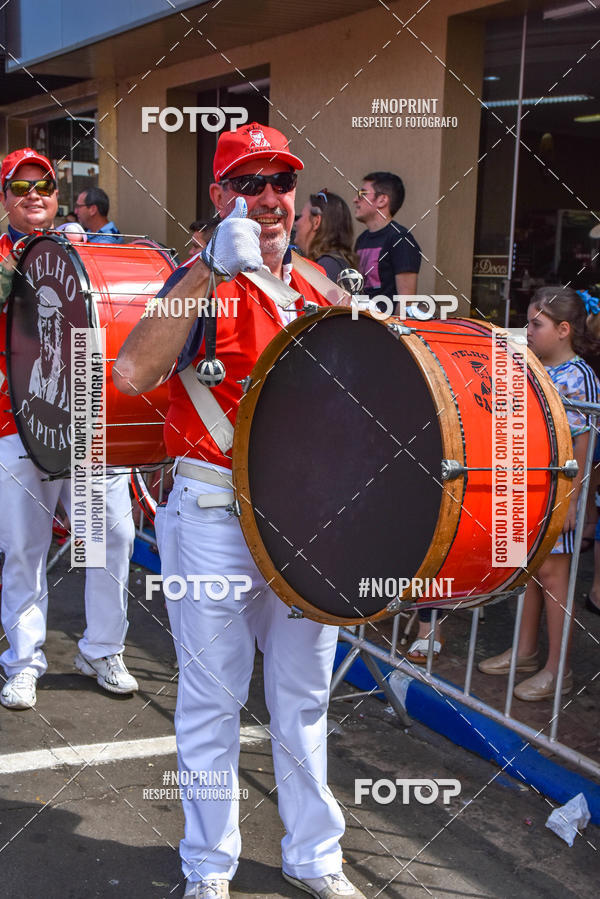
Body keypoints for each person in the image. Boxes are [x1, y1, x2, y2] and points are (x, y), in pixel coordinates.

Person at [114, 122, 365, 899]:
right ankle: (208, 866)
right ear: (220, 196)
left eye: (280, 182)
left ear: (300, 199)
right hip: (215, 515)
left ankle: (315, 855)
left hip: (307, 522)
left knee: (302, 698)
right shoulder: (199, 277)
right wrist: (205, 273)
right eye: (247, 183)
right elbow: (130, 372)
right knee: (213, 698)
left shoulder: (325, 289)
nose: (267, 199)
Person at [0, 147, 137, 710]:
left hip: (84, 423)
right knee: (23, 549)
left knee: (108, 538)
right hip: (16, 424)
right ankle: (24, 660)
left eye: (45, 186)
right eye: (21, 187)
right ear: (5, 198)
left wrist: (81, 255)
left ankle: (101, 648)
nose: (35, 195)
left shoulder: (82, 251)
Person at [479, 287, 600, 700]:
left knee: (553, 576)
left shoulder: (579, 377)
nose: (527, 330)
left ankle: (557, 668)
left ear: (564, 330)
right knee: (530, 571)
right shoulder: (533, 365)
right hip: (531, 488)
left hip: (558, 492)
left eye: (537, 324)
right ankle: (526, 651)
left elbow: (584, 443)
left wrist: (571, 499)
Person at [353, 171, 421, 302]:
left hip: (384, 321)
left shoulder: (401, 239)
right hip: (360, 319)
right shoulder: (362, 239)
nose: (355, 199)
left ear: (382, 200)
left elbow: (406, 302)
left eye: (363, 194)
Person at [293, 189, 358, 281]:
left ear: (316, 222)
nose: (296, 223)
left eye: (299, 217)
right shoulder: (334, 264)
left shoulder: (326, 267)